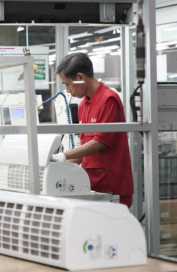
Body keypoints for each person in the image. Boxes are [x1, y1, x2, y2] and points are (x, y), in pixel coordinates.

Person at [50, 53, 134, 206]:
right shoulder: (83, 105)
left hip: (111, 188)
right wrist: (57, 167)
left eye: (67, 84)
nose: (67, 91)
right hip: (91, 185)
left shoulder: (108, 99)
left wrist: (63, 155)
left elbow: (100, 142)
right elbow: (85, 148)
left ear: (80, 77)